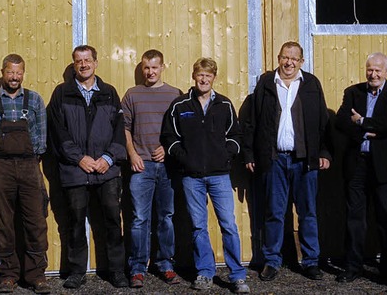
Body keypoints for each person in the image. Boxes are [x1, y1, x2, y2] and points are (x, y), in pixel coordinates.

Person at [242, 41, 331, 282]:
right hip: (275, 159)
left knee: (308, 212)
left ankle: (311, 261)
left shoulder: (311, 84)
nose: (289, 62)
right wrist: (249, 154)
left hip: (305, 160)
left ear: (301, 61)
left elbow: (322, 122)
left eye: (294, 58)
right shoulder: (266, 83)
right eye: (285, 57)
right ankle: (272, 261)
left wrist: (324, 152)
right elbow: (252, 121)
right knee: (274, 212)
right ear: (278, 58)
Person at [160, 57, 249, 294]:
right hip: (191, 177)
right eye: (200, 74)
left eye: (208, 75)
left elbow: (236, 136)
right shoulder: (180, 106)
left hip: (220, 175)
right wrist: (184, 157)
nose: (204, 79)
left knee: (228, 225)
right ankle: (205, 273)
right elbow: (169, 138)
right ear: (194, 76)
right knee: (198, 226)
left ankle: (237, 276)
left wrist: (226, 154)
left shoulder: (224, 105)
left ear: (214, 78)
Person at [47, 45, 128, 289]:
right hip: (75, 170)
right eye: (78, 61)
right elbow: (57, 134)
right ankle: (76, 271)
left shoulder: (109, 92)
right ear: (74, 64)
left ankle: (116, 270)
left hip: (107, 170)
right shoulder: (61, 94)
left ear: (96, 62)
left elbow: (119, 131)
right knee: (74, 221)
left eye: (87, 60)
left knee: (113, 219)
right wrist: (79, 158)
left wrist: (108, 158)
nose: (83, 65)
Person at [0, 54, 50, 294]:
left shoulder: (35, 99)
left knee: (35, 221)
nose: (14, 77)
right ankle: (7, 275)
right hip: (0, 166)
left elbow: (41, 135)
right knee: (3, 222)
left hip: (29, 165)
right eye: (10, 72)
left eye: (18, 73)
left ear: (23, 73)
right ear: (2, 72)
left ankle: (36, 275)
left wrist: (31, 153)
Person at [335, 52, 387, 284]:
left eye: (378, 70)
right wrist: (366, 127)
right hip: (357, 165)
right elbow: (341, 122)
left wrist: (362, 121)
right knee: (355, 218)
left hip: (383, 167)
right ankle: (352, 267)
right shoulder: (353, 92)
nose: (373, 74)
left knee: (385, 218)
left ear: (386, 72)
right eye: (369, 69)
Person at [121, 50, 181, 288]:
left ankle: (166, 264)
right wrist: (132, 153)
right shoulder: (132, 95)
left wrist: (167, 148)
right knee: (139, 219)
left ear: (162, 67)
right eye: (146, 67)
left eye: (154, 67)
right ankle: (137, 268)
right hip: (141, 167)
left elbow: (181, 129)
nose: (150, 72)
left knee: (166, 218)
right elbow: (124, 127)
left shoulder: (175, 94)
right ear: (142, 68)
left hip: (167, 167)